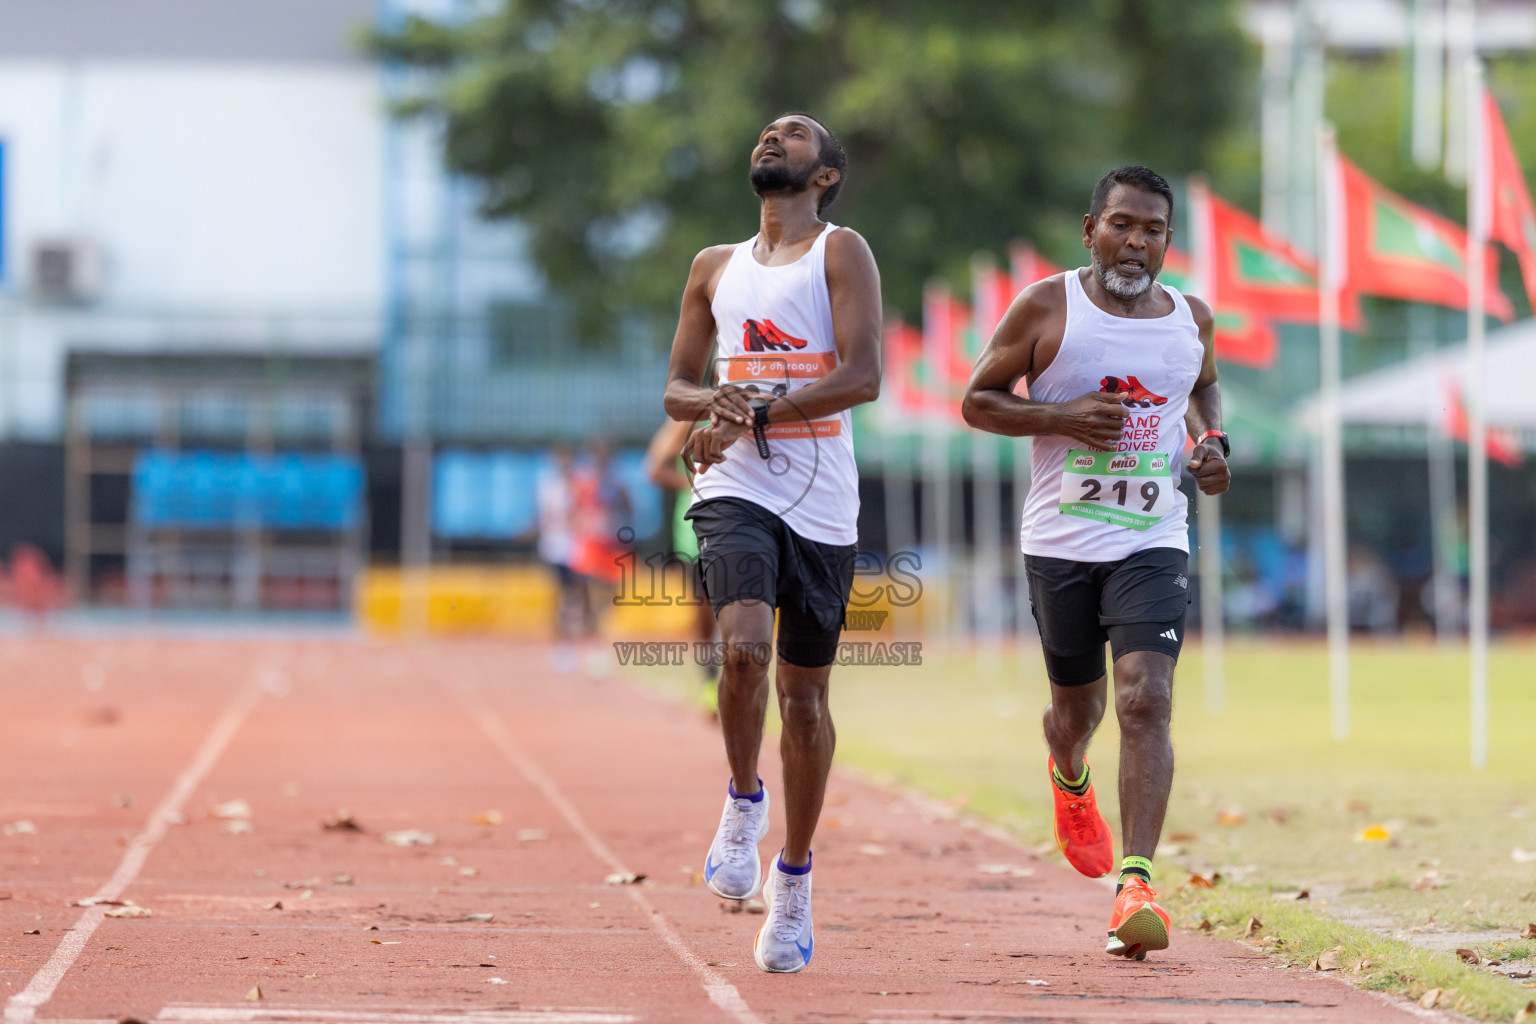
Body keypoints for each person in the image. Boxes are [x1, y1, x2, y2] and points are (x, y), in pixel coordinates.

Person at [961, 166, 1230, 961]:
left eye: (1152, 229)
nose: (1136, 242)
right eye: (1121, 225)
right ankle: (1069, 771)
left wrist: (1210, 444)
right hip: (1062, 542)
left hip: (1151, 538)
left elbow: (1203, 389)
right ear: (1090, 230)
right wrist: (1059, 416)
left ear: (1168, 242)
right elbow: (978, 399)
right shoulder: (1049, 306)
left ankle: (1137, 883)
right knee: (1077, 713)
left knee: (1146, 698)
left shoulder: (1192, 317)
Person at [661, 112, 881, 973]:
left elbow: (863, 376)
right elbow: (679, 384)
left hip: (823, 500)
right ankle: (744, 801)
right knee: (744, 645)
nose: (770, 138)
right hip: (735, 485)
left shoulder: (841, 251)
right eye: (763, 132)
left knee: (805, 702)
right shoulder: (712, 268)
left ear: (825, 174)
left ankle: (793, 880)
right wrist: (711, 405)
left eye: (794, 136)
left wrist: (756, 410)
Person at [643, 417, 720, 709]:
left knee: (742, 610)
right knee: (705, 613)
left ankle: (739, 684)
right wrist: (698, 484)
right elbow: (654, 468)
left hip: (743, 528)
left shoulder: (751, 408)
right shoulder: (688, 419)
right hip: (694, 532)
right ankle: (711, 683)